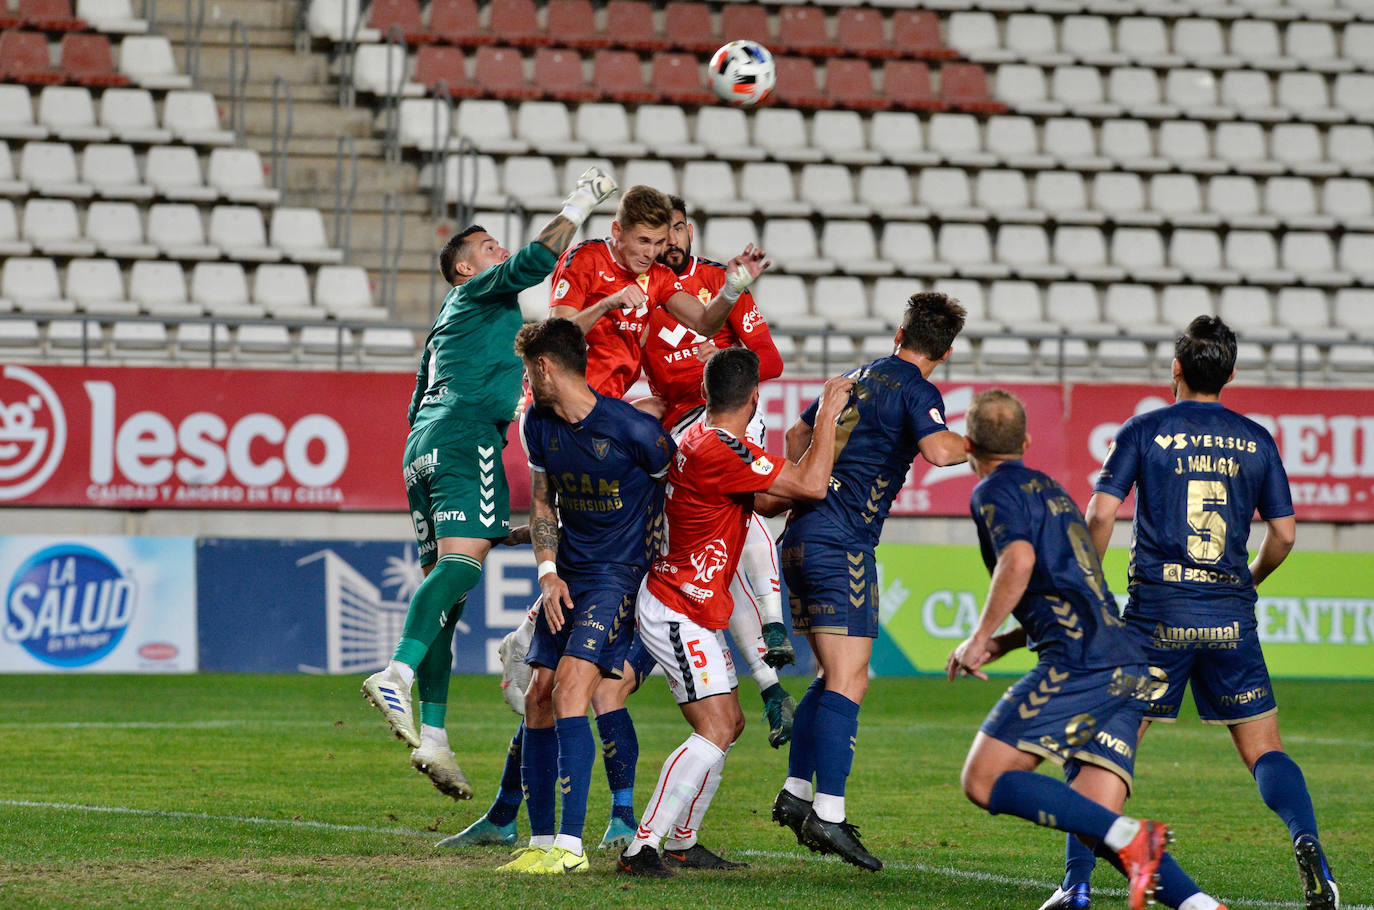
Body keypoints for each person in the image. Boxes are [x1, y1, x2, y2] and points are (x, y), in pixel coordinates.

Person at [1039, 316, 1338, 910]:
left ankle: (1076, 887)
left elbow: (1100, 516)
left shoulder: (1144, 429)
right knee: (1265, 750)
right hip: (1229, 616)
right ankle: (1312, 852)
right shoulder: (1257, 439)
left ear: (1175, 369)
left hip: (1157, 617)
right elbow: (1284, 533)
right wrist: (1248, 579)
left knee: (1103, 748)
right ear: (1230, 373)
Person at [360, 168, 617, 798]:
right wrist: (580, 202)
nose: (498, 250)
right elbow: (538, 257)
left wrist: (610, 305)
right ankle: (395, 672)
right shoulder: (481, 294)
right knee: (464, 571)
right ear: (464, 271)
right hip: (467, 433)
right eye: (487, 248)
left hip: (423, 448)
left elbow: (545, 340)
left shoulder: (457, 323)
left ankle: (437, 739)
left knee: (446, 596)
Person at [947, 389, 1229, 910]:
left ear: (967, 444)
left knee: (984, 780)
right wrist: (1009, 642)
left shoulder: (992, 492)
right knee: (1094, 819)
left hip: (1082, 665)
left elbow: (1019, 562)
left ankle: (1131, 840)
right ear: (1027, 441)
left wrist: (979, 636)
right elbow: (1074, 581)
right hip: (1126, 660)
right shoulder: (1052, 489)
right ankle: (1200, 906)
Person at [617, 348, 854, 877]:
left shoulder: (701, 441)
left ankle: (682, 841)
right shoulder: (721, 447)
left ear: (704, 396)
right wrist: (830, 417)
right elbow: (810, 485)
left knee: (731, 722)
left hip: (694, 605)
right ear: (753, 398)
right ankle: (642, 847)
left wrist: (788, 492)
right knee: (716, 727)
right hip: (678, 606)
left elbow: (761, 502)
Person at [772, 291, 967, 871]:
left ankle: (797, 794)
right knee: (851, 680)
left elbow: (791, 443)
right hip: (843, 543)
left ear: (899, 331)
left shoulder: (855, 376)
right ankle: (827, 814)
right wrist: (985, 445)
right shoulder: (917, 388)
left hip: (802, 534)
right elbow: (937, 450)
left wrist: (817, 485)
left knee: (834, 674)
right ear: (947, 351)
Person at [478, 318, 675, 875]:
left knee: (570, 692)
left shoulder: (634, 431)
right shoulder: (537, 424)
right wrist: (547, 571)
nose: (525, 380)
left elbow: (676, 495)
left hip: (618, 579)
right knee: (539, 694)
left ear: (544, 366)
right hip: (568, 575)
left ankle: (570, 846)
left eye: (526, 370)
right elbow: (543, 503)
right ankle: (541, 843)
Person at [638, 194, 797, 749]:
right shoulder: (646, 296)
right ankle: (772, 678)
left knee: (738, 518)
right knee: (714, 557)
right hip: (683, 427)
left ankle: (772, 636)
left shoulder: (719, 282)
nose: (674, 240)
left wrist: (718, 365)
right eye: (663, 234)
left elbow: (769, 364)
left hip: (729, 415)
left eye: (680, 228)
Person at [548, 184, 767, 399]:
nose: (651, 253)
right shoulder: (585, 258)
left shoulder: (659, 275)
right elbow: (556, 337)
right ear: (617, 231)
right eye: (643, 241)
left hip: (605, 402)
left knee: (651, 427)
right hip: (562, 397)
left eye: (658, 243)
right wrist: (607, 304)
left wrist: (730, 290)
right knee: (643, 429)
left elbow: (704, 324)